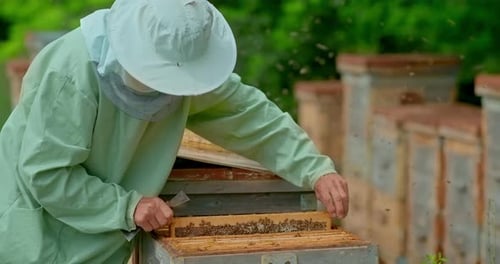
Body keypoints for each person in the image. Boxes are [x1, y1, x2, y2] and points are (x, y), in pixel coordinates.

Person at [0, 0, 348, 263]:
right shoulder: (71, 76)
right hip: (28, 238)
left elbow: (248, 113)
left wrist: (314, 168)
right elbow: (47, 173)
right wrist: (127, 206)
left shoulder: (181, 62)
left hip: (98, 245)